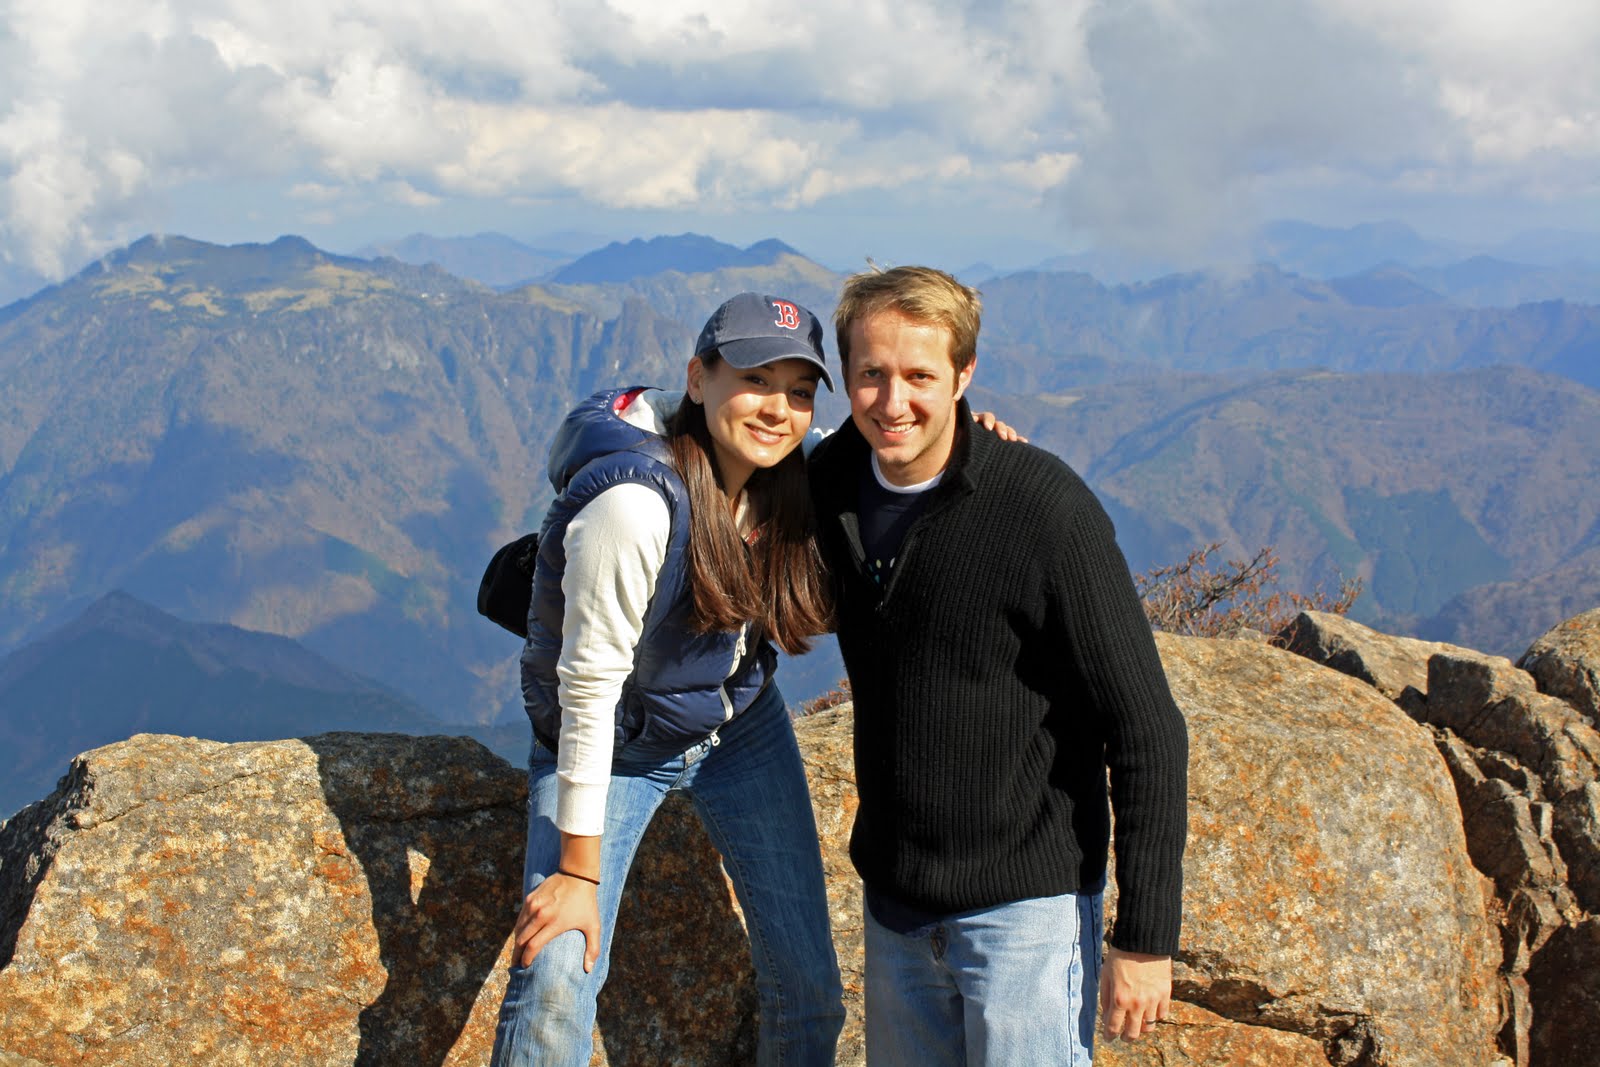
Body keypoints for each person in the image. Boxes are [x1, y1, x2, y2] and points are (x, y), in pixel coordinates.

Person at [806, 265, 1189, 1066]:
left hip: (1027, 914)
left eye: (920, 375)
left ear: (964, 375)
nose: (893, 400)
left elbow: (1147, 726)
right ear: (845, 377)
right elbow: (722, 463)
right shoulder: (830, 483)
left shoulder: (1042, 510)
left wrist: (1145, 936)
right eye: (871, 374)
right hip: (897, 909)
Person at [489, 292, 845, 1066]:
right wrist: (578, 872)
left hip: (738, 728)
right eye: (755, 377)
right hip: (616, 744)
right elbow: (585, 688)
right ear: (697, 377)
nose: (778, 408)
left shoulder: (785, 473)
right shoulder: (633, 504)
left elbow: (896, 451)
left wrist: (977, 436)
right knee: (556, 971)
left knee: (812, 989)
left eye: (798, 390)